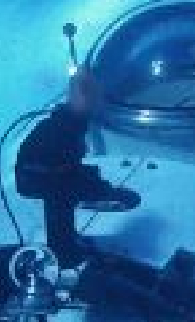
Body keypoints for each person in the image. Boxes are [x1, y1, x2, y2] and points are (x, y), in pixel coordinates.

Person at [13, 67, 140, 264]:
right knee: (63, 193)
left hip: (47, 173)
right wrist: (97, 187)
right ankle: (63, 253)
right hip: (35, 178)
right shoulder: (62, 126)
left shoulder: (71, 120)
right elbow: (60, 167)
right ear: (79, 94)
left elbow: (67, 162)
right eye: (93, 94)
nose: (97, 100)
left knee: (74, 185)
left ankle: (65, 242)